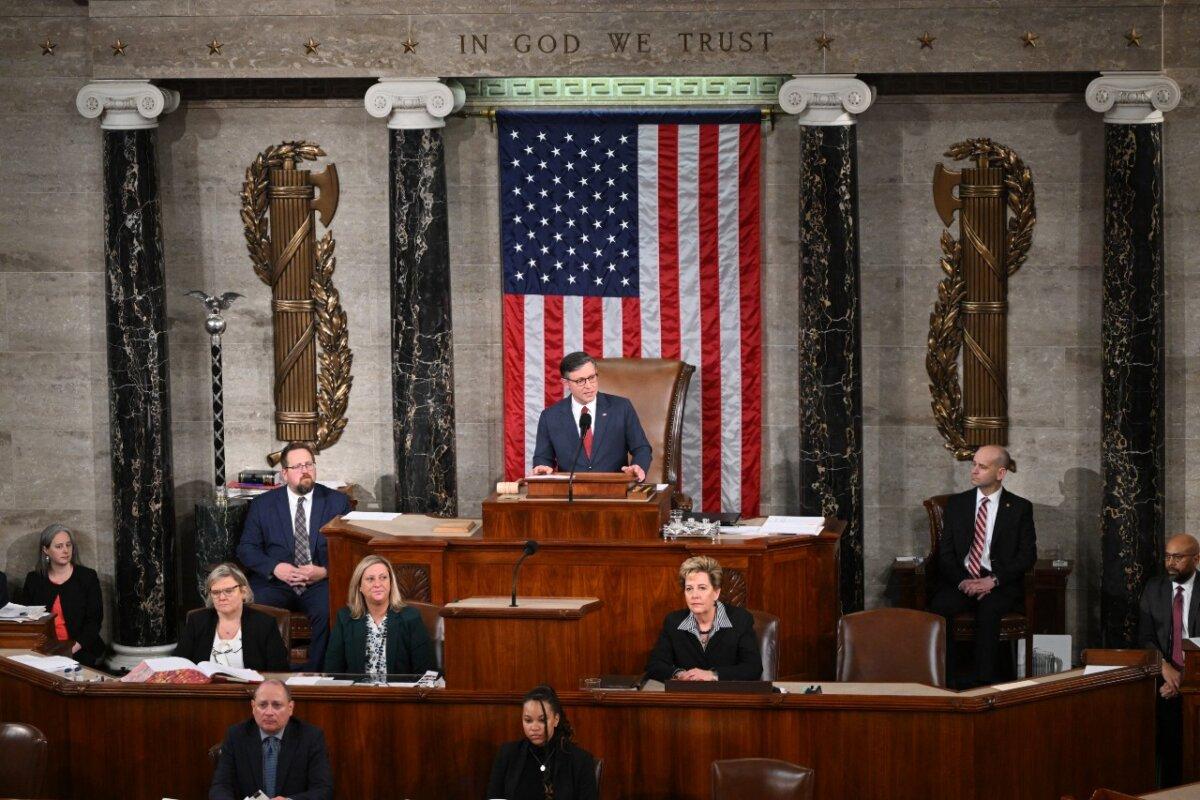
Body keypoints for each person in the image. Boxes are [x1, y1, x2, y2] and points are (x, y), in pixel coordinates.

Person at [929, 444, 1037, 688]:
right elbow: (945, 553)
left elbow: (1027, 555)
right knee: (938, 607)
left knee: (989, 610)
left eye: (982, 466)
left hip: (998, 582)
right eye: (974, 464)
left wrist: (994, 580)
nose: (974, 470)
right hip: (962, 579)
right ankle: (945, 679)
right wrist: (963, 580)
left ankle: (984, 683)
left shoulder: (1020, 508)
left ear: (1000, 473)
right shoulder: (957, 504)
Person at [237, 442, 350, 671]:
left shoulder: (336, 502)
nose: (305, 470)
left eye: (309, 464)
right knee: (253, 607)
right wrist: (275, 567)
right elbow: (246, 548)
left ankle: (316, 677)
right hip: (276, 582)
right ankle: (271, 673)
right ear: (285, 473)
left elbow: (350, 549)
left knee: (332, 608)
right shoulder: (263, 505)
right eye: (297, 466)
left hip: (318, 581)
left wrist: (325, 571)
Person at [1137, 533, 1200, 787]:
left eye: (1178, 557)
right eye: (1167, 556)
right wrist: (1165, 668)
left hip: (1196, 678)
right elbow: (1145, 637)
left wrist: (1183, 678)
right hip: (1163, 678)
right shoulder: (1154, 588)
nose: (1170, 563)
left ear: (1196, 559)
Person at [531, 351, 652, 482]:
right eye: (580, 381)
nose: (589, 386)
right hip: (571, 494)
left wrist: (638, 467)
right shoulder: (550, 417)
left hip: (615, 491)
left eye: (592, 377)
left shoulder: (621, 408)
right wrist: (541, 467)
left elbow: (642, 448)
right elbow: (543, 458)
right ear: (566, 383)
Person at [210, 678, 333, 800]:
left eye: (277, 705)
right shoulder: (236, 735)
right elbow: (220, 786)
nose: (269, 712)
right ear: (253, 707)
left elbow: (323, 790)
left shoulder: (311, 737)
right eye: (262, 705)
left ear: (290, 708)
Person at [645, 555, 762, 682]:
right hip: (687, 698)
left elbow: (753, 668)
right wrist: (679, 674)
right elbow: (654, 666)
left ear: (716, 592)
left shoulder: (740, 619)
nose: (694, 595)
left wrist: (712, 675)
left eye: (702, 588)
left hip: (727, 697)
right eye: (689, 589)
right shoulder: (673, 622)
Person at [324, 555, 435, 677]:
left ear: (391, 583)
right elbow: (332, 671)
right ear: (359, 586)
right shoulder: (345, 618)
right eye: (370, 579)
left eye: (383, 578)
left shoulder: (411, 618)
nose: (378, 584)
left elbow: (426, 672)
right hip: (358, 694)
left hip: (399, 694)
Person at [486, 684, 598, 800]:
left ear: (556, 720)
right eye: (528, 720)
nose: (534, 727)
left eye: (542, 720)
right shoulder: (507, 754)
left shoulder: (580, 760)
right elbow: (494, 797)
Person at [173, 563, 289, 672]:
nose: (222, 597)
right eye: (216, 592)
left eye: (228, 591)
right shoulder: (197, 621)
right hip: (205, 691)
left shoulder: (264, 623)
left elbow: (279, 673)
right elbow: (178, 665)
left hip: (251, 691)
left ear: (243, 592)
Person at [21, 524, 105, 667]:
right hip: (43, 651)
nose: (65, 550)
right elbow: (26, 620)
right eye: (59, 546)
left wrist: (69, 650)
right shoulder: (34, 579)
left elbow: (94, 622)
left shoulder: (87, 577)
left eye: (68, 545)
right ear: (45, 550)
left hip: (81, 649)